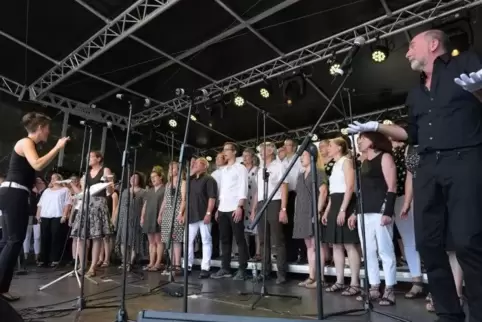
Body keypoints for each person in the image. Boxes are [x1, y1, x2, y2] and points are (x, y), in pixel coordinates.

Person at [347, 29, 482, 321]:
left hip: (465, 160)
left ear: (433, 44)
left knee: (469, 241)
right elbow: (412, 133)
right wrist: (378, 127)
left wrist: (479, 91)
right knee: (427, 244)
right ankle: (449, 314)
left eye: (411, 46)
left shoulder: (467, 63)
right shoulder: (416, 91)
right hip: (427, 166)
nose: (407, 52)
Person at [0, 112, 69, 301]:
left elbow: (28, 169)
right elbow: (38, 164)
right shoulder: (26, 142)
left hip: (12, 192)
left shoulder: (28, 145)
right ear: (40, 128)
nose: (49, 132)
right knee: (14, 240)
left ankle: (2, 287)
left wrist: (34, 183)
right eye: (47, 129)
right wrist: (58, 147)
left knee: (8, 241)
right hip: (14, 193)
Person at [356, 132, 398, 305]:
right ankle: (374, 287)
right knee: (368, 251)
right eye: (358, 140)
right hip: (363, 211)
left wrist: (387, 211)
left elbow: (392, 186)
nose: (359, 142)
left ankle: (389, 289)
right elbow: (361, 190)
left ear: (373, 141)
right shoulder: (363, 162)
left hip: (380, 210)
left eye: (363, 139)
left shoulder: (385, 157)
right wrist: (354, 212)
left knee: (385, 251)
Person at [322, 137, 361, 296]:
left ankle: (355, 283)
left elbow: (350, 186)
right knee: (336, 244)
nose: (327, 148)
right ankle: (339, 280)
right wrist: (327, 210)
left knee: (349, 244)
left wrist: (344, 209)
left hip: (346, 202)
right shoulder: (334, 165)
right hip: (336, 203)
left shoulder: (346, 162)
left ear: (339, 147)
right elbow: (333, 191)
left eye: (330, 145)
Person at [250, 142, 289, 284]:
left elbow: (284, 187)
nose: (261, 152)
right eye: (259, 150)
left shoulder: (279, 166)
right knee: (262, 240)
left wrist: (283, 209)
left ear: (272, 151)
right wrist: (254, 209)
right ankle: (265, 271)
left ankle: (281, 273)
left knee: (278, 239)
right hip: (261, 203)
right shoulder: (260, 169)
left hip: (274, 201)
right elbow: (257, 191)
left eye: (263, 149)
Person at [70, 151, 113, 277]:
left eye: (91, 157)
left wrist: (108, 182)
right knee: (81, 236)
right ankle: (82, 265)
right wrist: (72, 185)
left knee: (96, 236)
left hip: (99, 204)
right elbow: (82, 193)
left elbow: (110, 191)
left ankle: (93, 267)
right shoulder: (86, 174)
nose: (89, 159)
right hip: (86, 205)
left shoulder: (105, 170)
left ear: (99, 158)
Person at [210, 142, 249, 280]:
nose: (224, 152)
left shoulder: (240, 168)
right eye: (223, 149)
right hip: (223, 208)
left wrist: (240, 206)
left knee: (239, 239)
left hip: (235, 207)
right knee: (224, 240)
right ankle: (225, 268)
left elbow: (243, 188)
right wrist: (218, 209)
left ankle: (242, 269)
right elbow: (223, 191)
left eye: (227, 150)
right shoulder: (223, 170)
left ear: (234, 152)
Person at [292, 149, 328, 289]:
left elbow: (323, 192)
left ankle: (321, 278)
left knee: (316, 245)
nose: (301, 158)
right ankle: (312, 276)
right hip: (302, 213)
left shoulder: (318, 172)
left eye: (304, 155)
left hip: (313, 211)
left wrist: (318, 211)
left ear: (312, 157)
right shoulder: (300, 176)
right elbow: (298, 195)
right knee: (309, 246)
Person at [187, 158, 217, 278]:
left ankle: (205, 268)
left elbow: (212, 197)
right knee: (188, 241)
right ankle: (188, 265)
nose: (194, 164)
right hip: (192, 215)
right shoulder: (192, 180)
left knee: (206, 240)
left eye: (197, 163)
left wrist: (209, 213)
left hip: (204, 214)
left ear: (205, 166)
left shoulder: (209, 179)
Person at [36, 173, 71, 267]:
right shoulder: (47, 190)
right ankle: (43, 259)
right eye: (52, 178)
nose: (53, 179)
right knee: (44, 237)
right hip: (45, 215)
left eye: (55, 178)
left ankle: (55, 258)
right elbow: (40, 204)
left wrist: (64, 215)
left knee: (56, 237)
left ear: (60, 179)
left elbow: (67, 203)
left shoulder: (65, 190)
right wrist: (38, 215)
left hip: (57, 215)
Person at [158, 161, 185, 275]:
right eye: (169, 168)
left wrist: (181, 213)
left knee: (176, 238)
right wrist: (160, 213)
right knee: (167, 239)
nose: (170, 170)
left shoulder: (182, 182)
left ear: (178, 170)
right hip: (167, 213)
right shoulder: (168, 184)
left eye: (172, 168)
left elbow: (184, 199)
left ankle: (177, 265)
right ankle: (172, 264)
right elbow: (165, 200)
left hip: (177, 211)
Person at [116, 173, 146, 271]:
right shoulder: (124, 191)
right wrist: (115, 217)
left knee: (134, 241)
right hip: (123, 218)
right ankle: (124, 261)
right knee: (123, 240)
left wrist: (142, 217)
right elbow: (119, 205)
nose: (133, 179)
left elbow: (145, 205)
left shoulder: (143, 192)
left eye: (135, 178)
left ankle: (130, 262)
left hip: (135, 218)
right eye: (131, 177)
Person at [141, 168, 165, 271]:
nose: (153, 179)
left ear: (160, 177)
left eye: (155, 177)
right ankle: (151, 262)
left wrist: (161, 215)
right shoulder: (149, 191)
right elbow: (145, 205)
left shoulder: (164, 189)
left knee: (158, 241)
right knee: (151, 242)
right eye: (151, 177)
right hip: (149, 217)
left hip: (158, 216)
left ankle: (158, 263)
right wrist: (142, 217)